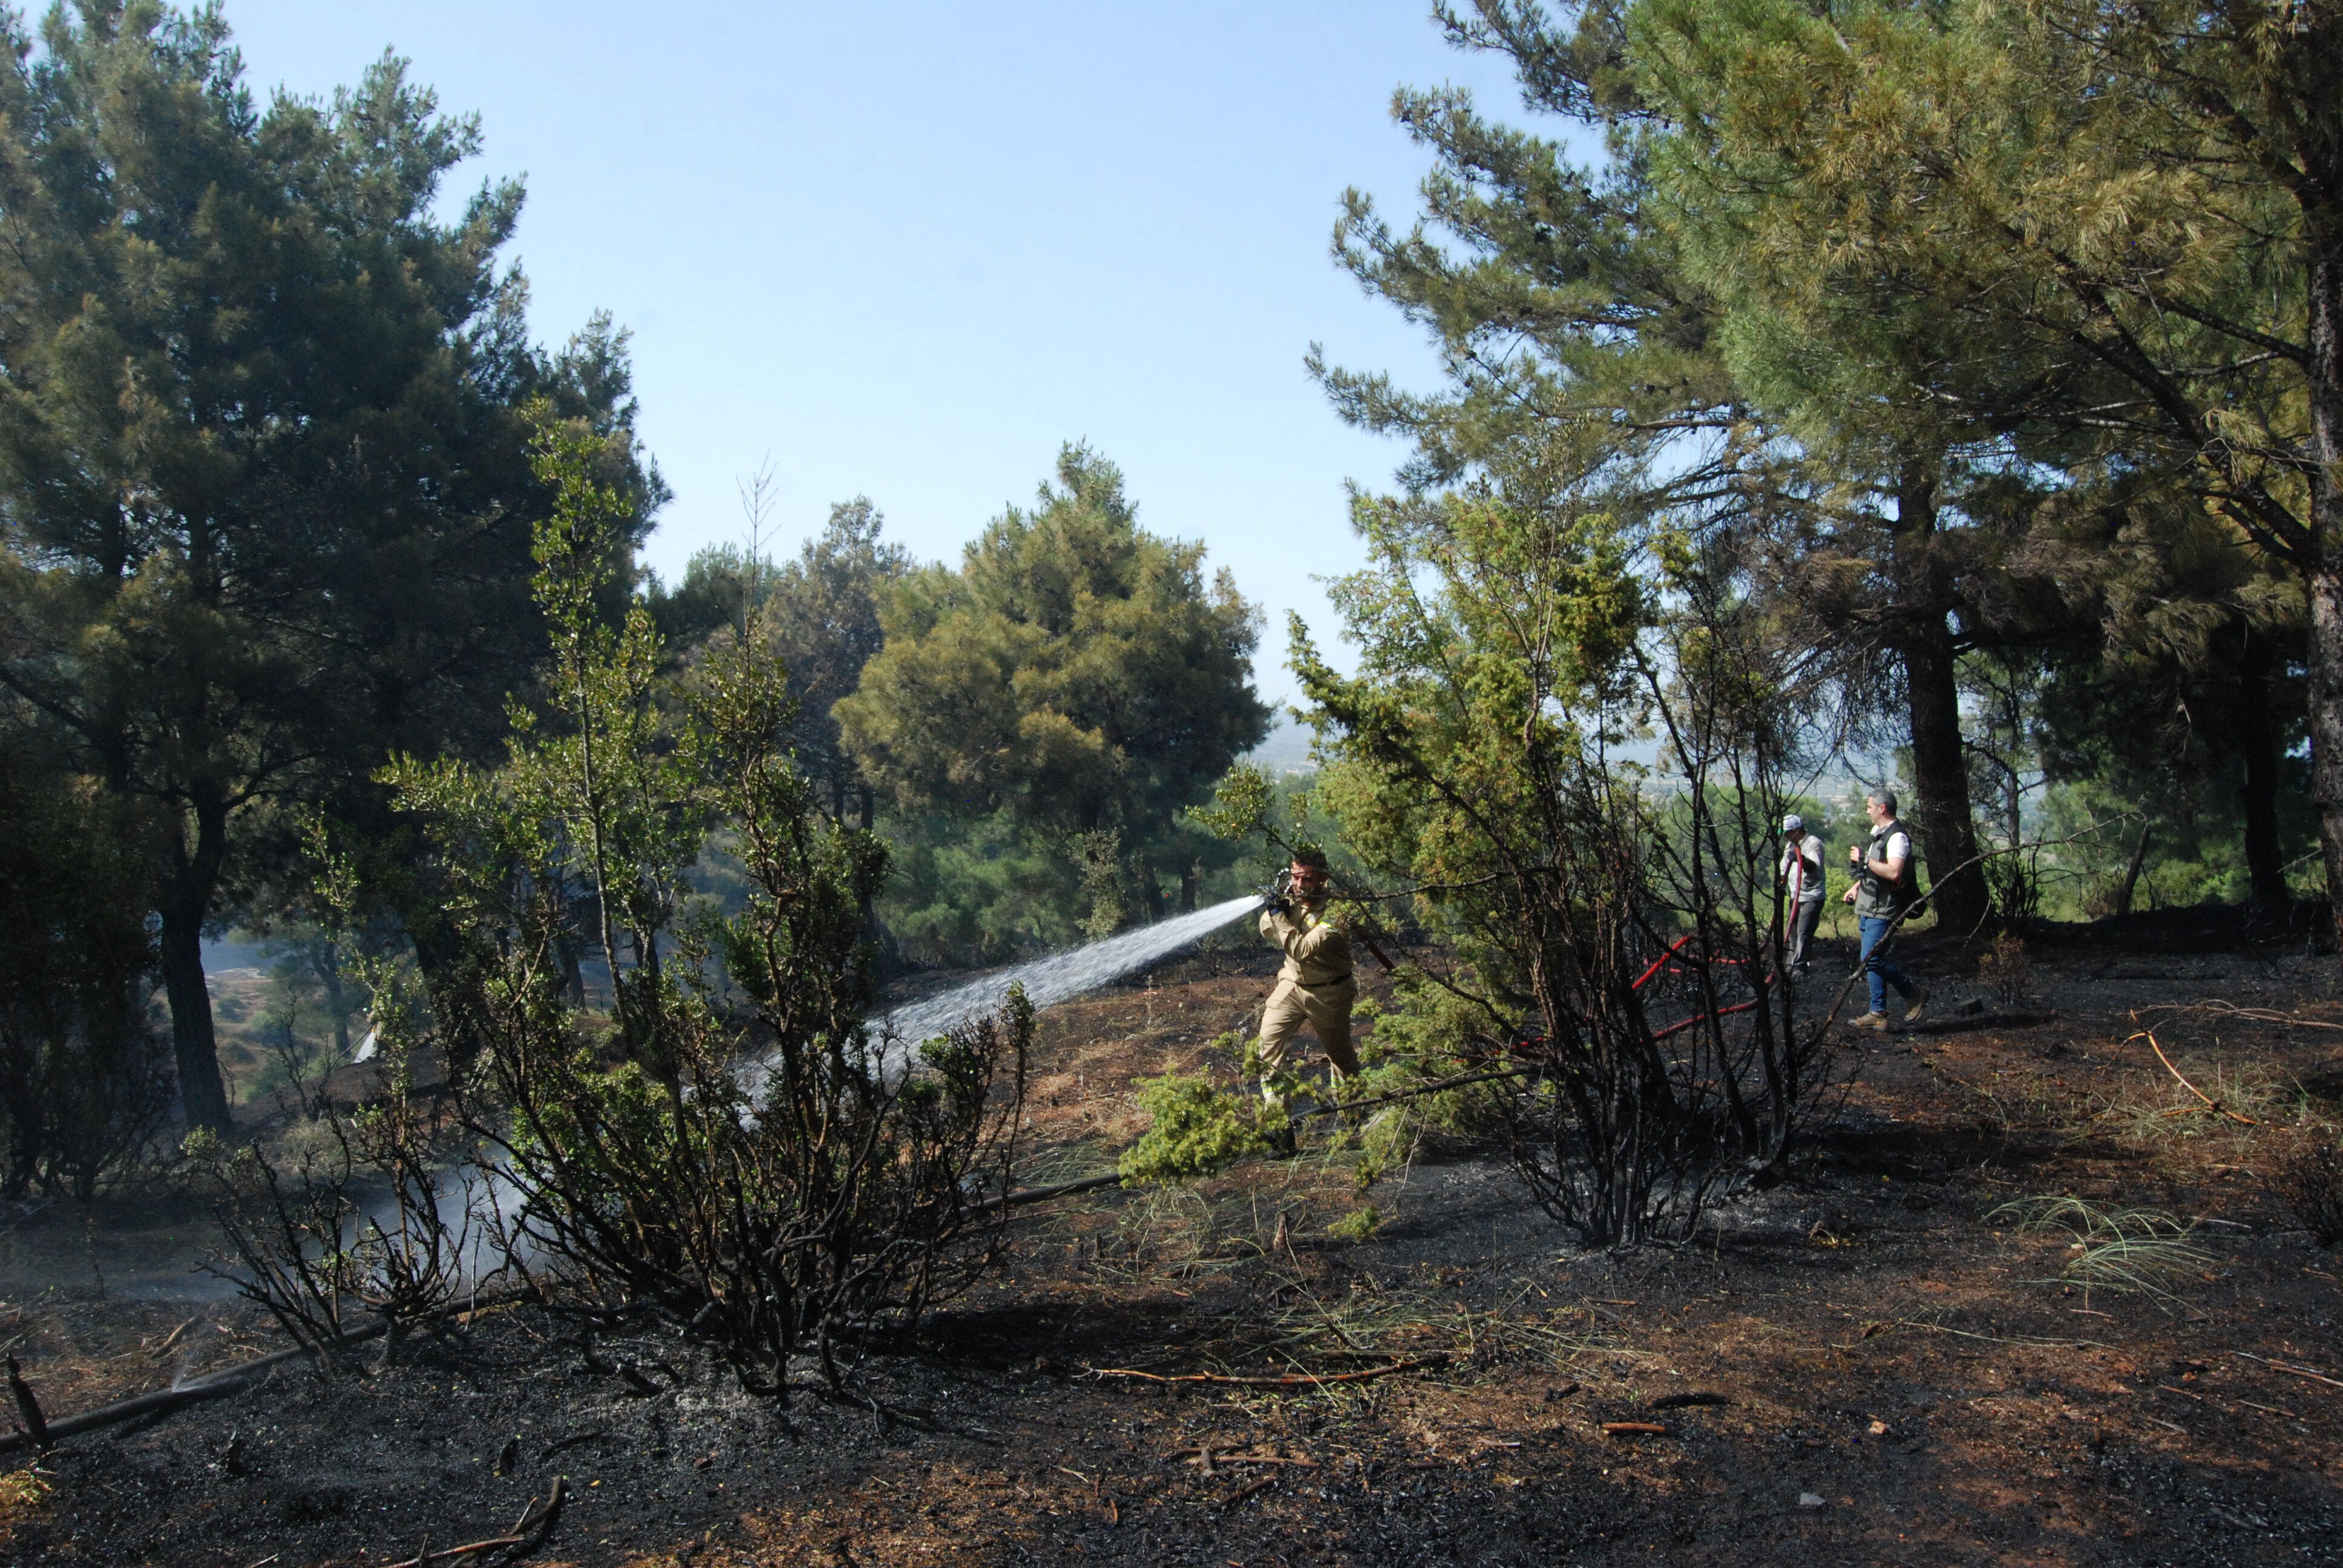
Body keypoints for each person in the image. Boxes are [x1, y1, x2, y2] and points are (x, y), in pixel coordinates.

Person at [1254, 847, 1358, 1114]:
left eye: (1307, 879)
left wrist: (1279, 914)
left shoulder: (1338, 912)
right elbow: (1267, 931)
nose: (1299, 885)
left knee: (1341, 1058)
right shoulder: (1292, 900)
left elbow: (1301, 949)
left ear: (1323, 878)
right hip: (1292, 984)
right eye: (1294, 878)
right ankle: (1278, 1121)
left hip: (1330, 991)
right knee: (1269, 1041)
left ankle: (1354, 1113)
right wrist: (1276, 904)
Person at [1842, 789, 1928, 1028]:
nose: (1867, 811)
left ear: (1882, 809)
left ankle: (1913, 992)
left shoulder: (1897, 837)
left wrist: (1865, 860)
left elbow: (1893, 872)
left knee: (1871, 959)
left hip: (1885, 909)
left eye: (1870, 807)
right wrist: (1856, 887)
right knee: (1872, 960)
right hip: (1870, 906)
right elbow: (1875, 872)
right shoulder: (1879, 835)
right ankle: (1878, 1013)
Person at [1777, 814, 1826, 975]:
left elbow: (1813, 867)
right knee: (1792, 929)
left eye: (1787, 833)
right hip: (1795, 895)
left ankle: (1800, 966)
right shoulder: (1789, 847)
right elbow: (1784, 868)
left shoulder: (1813, 844)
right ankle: (1791, 962)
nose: (1785, 836)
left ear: (1797, 831)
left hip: (1812, 895)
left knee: (1803, 930)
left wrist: (1800, 859)